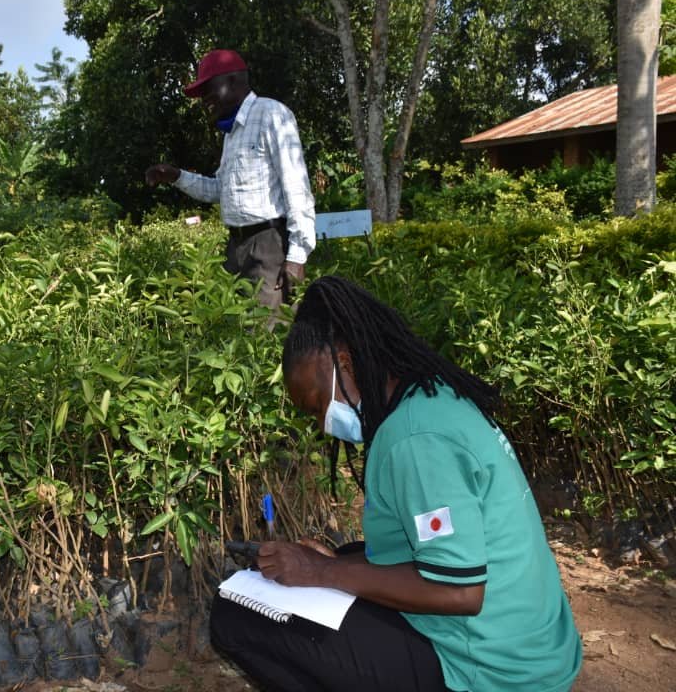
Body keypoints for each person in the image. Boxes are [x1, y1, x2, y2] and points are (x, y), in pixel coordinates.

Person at [210, 276, 582, 691]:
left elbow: (460, 594)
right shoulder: (432, 398)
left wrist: (321, 571)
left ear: (345, 362)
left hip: (491, 670)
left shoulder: (414, 439)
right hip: (529, 644)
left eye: (318, 406)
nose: (323, 425)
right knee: (352, 555)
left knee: (233, 617)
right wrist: (332, 564)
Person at [145, 49, 316, 309]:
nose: (205, 101)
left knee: (264, 334)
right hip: (236, 247)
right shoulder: (232, 133)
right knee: (235, 333)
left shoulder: (271, 114)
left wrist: (296, 257)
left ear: (233, 81)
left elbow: (297, 189)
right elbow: (220, 190)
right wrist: (176, 176)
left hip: (267, 247)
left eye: (208, 90)